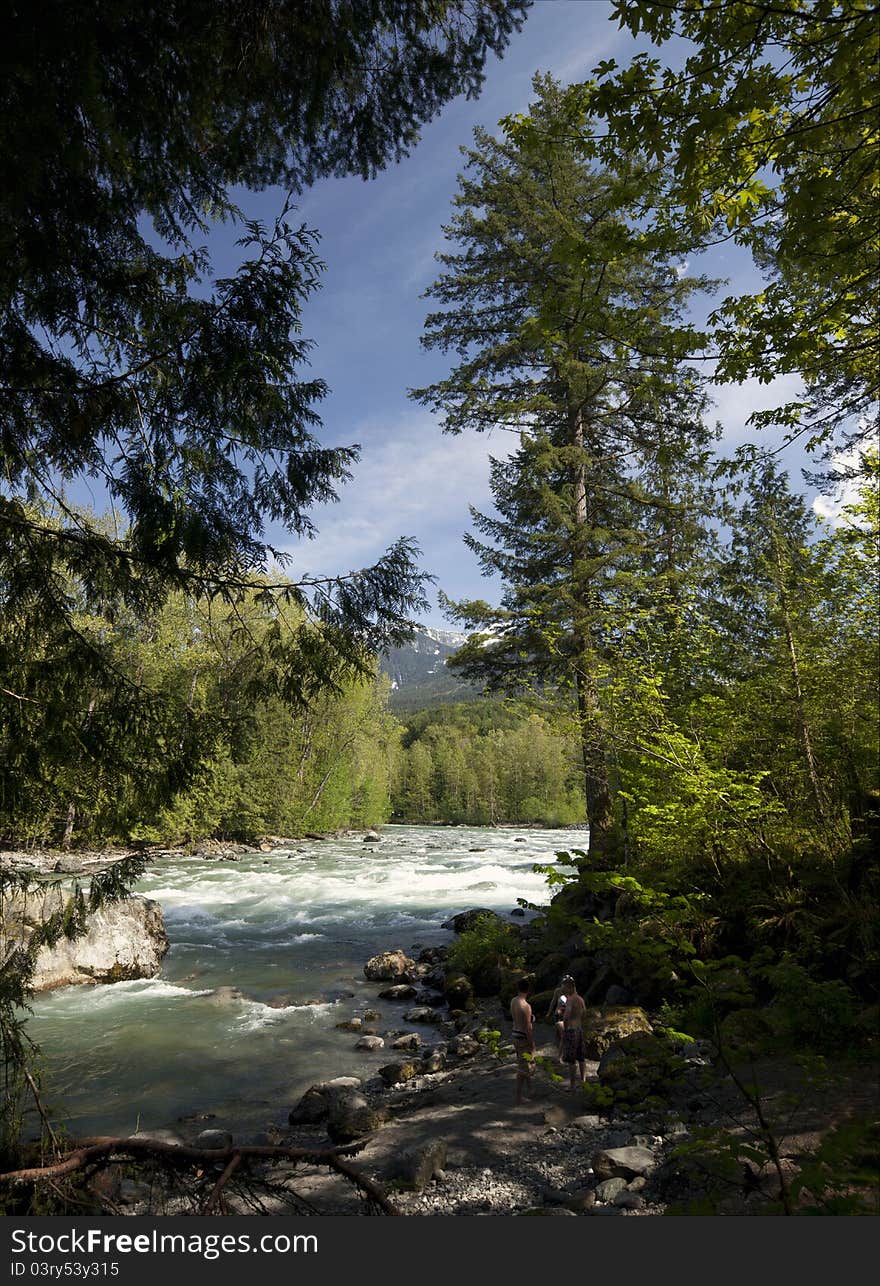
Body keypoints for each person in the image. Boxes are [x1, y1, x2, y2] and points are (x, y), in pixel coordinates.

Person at [510, 977, 535, 1105]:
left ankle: (530, 1090)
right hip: (522, 1037)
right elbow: (528, 1028)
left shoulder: (513, 1001)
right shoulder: (526, 1006)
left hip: (514, 1034)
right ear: (528, 990)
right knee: (524, 1068)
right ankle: (518, 1097)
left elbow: (515, 1019)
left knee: (524, 1064)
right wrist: (531, 1044)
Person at [559, 974, 587, 1090]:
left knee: (571, 1060)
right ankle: (583, 1081)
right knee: (581, 1057)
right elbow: (585, 1013)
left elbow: (566, 1017)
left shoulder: (570, 999)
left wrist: (565, 1030)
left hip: (571, 1030)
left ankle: (572, 1085)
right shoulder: (580, 999)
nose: (563, 990)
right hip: (579, 1029)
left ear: (570, 987)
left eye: (564, 988)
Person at [545, 977, 569, 1060]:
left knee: (563, 1035)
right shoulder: (557, 991)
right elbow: (553, 1002)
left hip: (566, 1016)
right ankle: (560, 1055)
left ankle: (560, 1054)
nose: (565, 986)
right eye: (564, 984)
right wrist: (549, 1012)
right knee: (561, 1035)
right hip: (558, 1016)